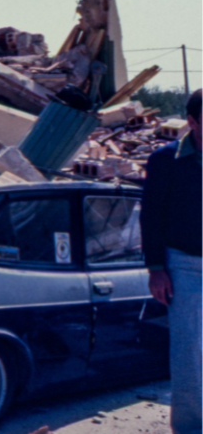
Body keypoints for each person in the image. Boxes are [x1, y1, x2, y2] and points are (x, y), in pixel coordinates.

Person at [142, 88, 203, 433]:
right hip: (184, 267)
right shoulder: (166, 160)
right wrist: (156, 270)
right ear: (192, 122)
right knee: (189, 355)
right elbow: (150, 216)